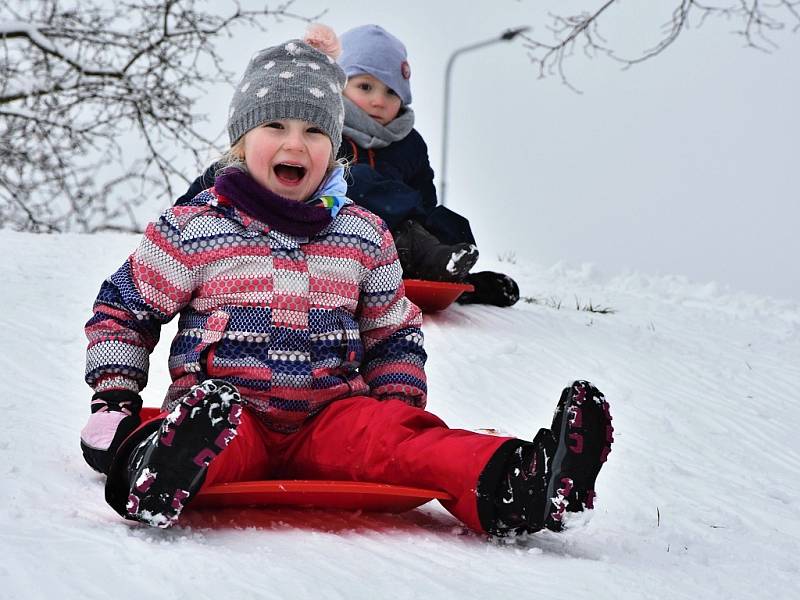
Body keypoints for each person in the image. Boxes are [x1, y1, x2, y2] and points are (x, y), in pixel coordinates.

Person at [80, 32, 613, 536]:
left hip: (331, 416)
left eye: (315, 132)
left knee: (409, 446)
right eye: (276, 127)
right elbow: (124, 309)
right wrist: (115, 399)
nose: (297, 143)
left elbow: (392, 331)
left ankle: (523, 484)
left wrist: (396, 408)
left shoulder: (361, 235)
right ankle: (157, 472)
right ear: (242, 142)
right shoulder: (195, 228)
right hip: (229, 412)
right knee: (208, 441)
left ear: (335, 149)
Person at [177, 25, 520, 308]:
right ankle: (433, 259)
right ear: (339, 87)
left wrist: (431, 223)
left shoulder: (409, 144)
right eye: (365, 86)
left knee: (447, 221)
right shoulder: (320, 131)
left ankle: (458, 275)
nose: (377, 100)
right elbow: (235, 167)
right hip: (336, 241)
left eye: (391, 92)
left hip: (401, 240)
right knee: (354, 178)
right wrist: (184, 214)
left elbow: (424, 197)